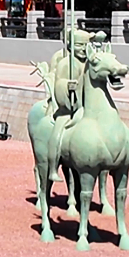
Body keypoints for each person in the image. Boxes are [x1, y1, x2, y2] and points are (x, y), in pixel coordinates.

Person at [46, 29, 93, 183]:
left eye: (86, 45)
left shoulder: (90, 63)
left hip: (88, 106)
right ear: (70, 46)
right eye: (79, 45)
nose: (83, 49)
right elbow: (58, 84)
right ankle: (53, 167)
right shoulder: (65, 63)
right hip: (69, 107)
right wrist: (68, 86)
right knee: (58, 131)